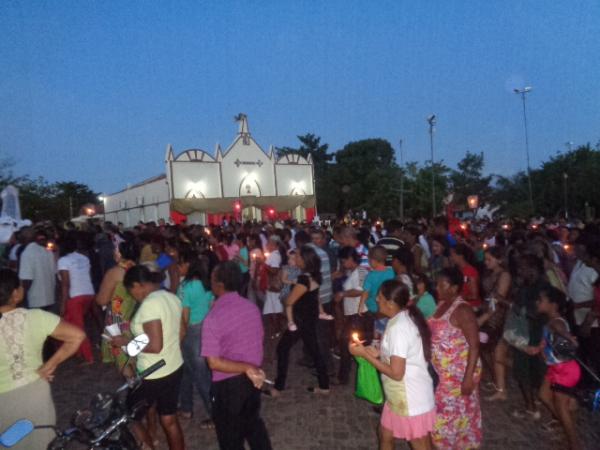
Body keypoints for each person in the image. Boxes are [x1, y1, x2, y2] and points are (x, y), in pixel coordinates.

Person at [0, 269, 85, 450]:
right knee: (41, 444)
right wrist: (48, 366)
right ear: (16, 293)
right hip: (34, 392)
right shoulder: (35, 317)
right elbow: (77, 336)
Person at [350, 280, 435, 450]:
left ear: (390, 303)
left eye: (379, 298)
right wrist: (378, 354)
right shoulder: (399, 318)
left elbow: (397, 373)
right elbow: (401, 356)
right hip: (398, 397)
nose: (376, 300)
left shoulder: (399, 328)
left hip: (409, 399)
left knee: (422, 446)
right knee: (384, 435)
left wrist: (365, 355)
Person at [201, 261, 272, 450]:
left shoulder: (213, 318)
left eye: (212, 279)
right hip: (253, 379)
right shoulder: (251, 308)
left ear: (219, 285)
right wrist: (250, 368)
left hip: (229, 385)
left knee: (230, 437)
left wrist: (245, 367)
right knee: (253, 425)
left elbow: (213, 362)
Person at [116, 265, 185, 450]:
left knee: (130, 416)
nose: (133, 296)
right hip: (174, 366)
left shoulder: (149, 305)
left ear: (138, 285)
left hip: (152, 373)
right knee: (169, 418)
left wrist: (127, 344)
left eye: (132, 291)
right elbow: (181, 331)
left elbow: (155, 345)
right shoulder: (172, 297)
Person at [429, 267, 482, 449]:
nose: (437, 287)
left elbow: (475, 345)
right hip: (443, 374)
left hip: (458, 375)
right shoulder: (441, 305)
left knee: (447, 418)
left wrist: (468, 378)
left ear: (454, 287)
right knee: (451, 417)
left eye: (441, 284)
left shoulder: (462, 310)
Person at [527, 286, 581, 450]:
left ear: (554, 305)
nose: (538, 302)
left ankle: (574, 444)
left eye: (541, 300)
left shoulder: (557, 322)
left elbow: (562, 331)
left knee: (561, 406)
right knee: (544, 395)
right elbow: (547, 341)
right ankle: (565, 425)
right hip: (555, 368)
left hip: (565, 370)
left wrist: (569, 339)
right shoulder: (550, 322)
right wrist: (538, 349)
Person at [272, 245, 330, 395]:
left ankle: (278, 387)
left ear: (304, 260)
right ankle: (324, 386)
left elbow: (290, 301)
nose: (294, 258)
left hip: (300, 320)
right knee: (315, 351)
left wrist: (286, 300)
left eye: (297, 256)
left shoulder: (304, 279)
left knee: (283, 349)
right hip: (309, 318)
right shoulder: (315, 275)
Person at [176, 252, 214, 428]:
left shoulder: (185, 286)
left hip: (192, 332)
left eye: (181, 263)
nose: (178, 266)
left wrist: (179, 339)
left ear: (188, 266)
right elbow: (212, 307)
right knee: (187, 372)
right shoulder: (206, 283)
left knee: (201, 376)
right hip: (206, 327)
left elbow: (184, 316)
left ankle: (214, 414)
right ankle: (186, 407)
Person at [96, 238, 139, 377]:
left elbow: (101, 299)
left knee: (122, 358)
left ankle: (134, 389)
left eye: (115, 249)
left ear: (120, 254)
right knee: (135, 356)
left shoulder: (115, 272)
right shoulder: (138, 269)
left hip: (117, 320)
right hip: (135, 317)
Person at [478, 247, 512, 402]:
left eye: (489, 259)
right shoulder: (490, 273)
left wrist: (485, 316)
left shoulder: (504, 275)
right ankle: (498, 385)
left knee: (497, 352)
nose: (486, 262)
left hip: (498, 318)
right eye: (485, 259)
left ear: (499, 259)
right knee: (490, 350)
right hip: (490, 314)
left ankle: (501, 388)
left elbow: (498, 299)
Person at [58, 234, 96, 364]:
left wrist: (63, 304)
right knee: (71, 323)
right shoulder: (83, 258)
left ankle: (88, 356)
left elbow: (65, 283)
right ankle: (77, 351)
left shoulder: (63, 260)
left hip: (75, 296)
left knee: (78, 327)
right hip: (88, 293)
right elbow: (88, 275)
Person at [335, 246, 369, 384]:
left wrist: (343, 294)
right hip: (353, 313)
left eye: (344, 261)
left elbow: (361, 290)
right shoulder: (352, 271)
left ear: (350, 259)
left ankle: (344, 377)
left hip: (358, 314)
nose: (343, 264)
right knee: (348, 344)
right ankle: (347, 376)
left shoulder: (361, 271)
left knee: (346, 344)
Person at [358, 246, 396, 342]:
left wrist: (361, 306)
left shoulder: (371, 276)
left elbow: (365, 292)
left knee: (377, 330)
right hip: (389, 308)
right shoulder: (391, 272)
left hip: (375, 308)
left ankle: (377, 344)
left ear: (373, 261)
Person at [18, 227, 57, 310]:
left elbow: (27, 280)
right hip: (50, 297)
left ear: (24, 236)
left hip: (35, 299)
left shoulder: (27, 253)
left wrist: (20, 298)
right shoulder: (47, 251)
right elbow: (54, 273)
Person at [262, 236, 287, 339]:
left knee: (275, 309)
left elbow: (274, 270)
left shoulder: (275, 256)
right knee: (273, 309)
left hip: (274, 286)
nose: (267, 245)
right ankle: (278, 328)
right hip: (271, 287)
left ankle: (278, 329)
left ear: (275, 245)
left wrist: (263, 264)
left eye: (269, 243)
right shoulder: (273, 255)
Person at [450, 243, 481, 308]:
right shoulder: (457, 269)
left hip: (471, 306)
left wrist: (459, 298)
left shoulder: (470, 271)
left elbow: (474, 295)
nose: (451, 258)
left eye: (453, 255)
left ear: (461, 256)